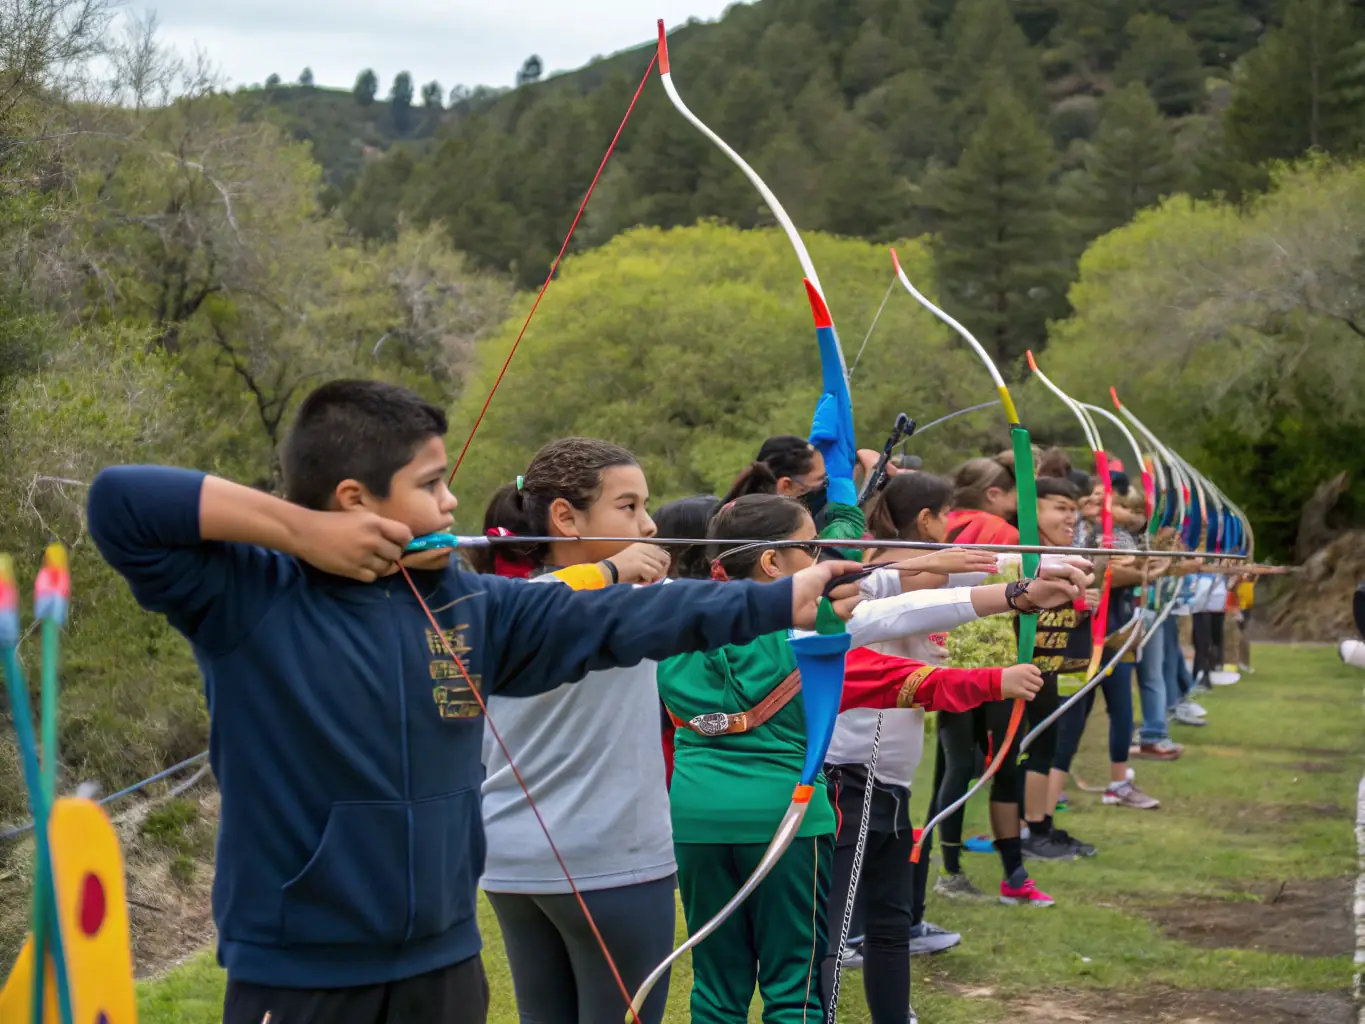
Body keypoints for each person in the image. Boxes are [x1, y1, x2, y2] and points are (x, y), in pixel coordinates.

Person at [86, 380, 865, 1024]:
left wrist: (782, 599)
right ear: (355, 497)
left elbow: (623, 616)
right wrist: (303, 533)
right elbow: (122, 501)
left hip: (443, 955)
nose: (452, 501)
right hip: (301, 964)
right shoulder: (246, 596)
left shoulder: (462, 602)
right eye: (430, 485)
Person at [660, 494, 1049, 1024]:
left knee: (715, 987)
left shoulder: (668, 618)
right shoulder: (810, 625)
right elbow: (899, 611)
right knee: (793, 984)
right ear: (774, 563)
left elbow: (882, 591)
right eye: (811, 549)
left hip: (694, 817)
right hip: (787, 821)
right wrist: (1015, 594)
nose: (822, 562)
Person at [821, 475, 1089, 1023]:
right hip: (849, 778)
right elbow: (916, 607)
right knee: (830, 931)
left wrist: (1032, 578)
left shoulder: (916, 566)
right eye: (943, 520)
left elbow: (968, 581)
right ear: (924, 521)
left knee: (890, 925)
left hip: (888, 783)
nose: (950, 533)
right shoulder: (861, 588)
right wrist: (1011, 602)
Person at [474, 438, 684, 1024]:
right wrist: (615, 571)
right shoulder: (536, 601)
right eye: (628, 506)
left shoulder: (493, 601)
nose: (649, 524)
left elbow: (761, 601)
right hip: (613, 861)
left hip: (513, 863)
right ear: (566, 516)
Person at [1053, 478, 1159, 811]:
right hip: (1082, 635)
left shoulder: (1123, 533)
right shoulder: (1078, 533)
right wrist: (1144, 571)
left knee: (1123, 709)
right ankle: (1050, 790)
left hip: (1117, 631)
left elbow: (1137, 558)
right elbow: (1104, 573)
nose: (1099, 504)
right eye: (1094, 498)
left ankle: (1118, 783)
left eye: (1107, 499)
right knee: (1071, 714)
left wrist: (1150, 565)